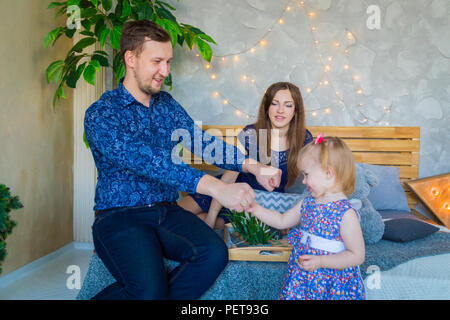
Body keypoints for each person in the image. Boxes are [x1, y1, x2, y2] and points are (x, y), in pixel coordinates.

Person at [84, 20, 282, 300]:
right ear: (131, 58)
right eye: (156, 61)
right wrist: (217, 188)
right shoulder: (101, 113)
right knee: (149, 290)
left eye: (168, 61)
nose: (164, 71)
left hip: (166, 211)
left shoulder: (166, 105)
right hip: (119, 216)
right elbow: (150, 161)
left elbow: (203, 142)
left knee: (214, 254)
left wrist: (255, 167)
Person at [179, 82, 313, 228]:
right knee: (177, 213)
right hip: (230, 188)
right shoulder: (251, 134)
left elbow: (314, 175)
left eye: (288, 105)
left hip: (256, 203)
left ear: (296, 111)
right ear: (267, 107)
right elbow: (230, 176)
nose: (280, 110)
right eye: (275, 104)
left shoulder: (304, 138)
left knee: (196, 224)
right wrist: (211, 216)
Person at [247, 136, 366, 300]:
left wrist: (321, 261)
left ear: (328, 173)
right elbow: (282, 221)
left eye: (306, 174)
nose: (303, 181)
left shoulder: (345, 213)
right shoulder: (307, 202)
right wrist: (255, 209)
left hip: (332, 283)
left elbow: (357, 255)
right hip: (303, 279)